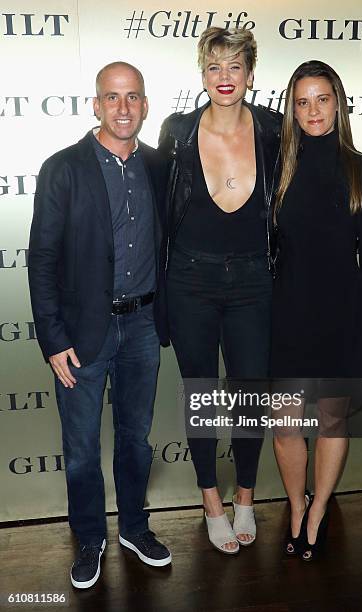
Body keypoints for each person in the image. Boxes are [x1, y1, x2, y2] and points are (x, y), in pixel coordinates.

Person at [28, 61, 171, 589]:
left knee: (136, 440)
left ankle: (134, 527)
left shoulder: (158, 166)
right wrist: (53, 338)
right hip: (82, 334)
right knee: (83, 448)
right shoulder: (62, 168)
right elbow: (41, 258)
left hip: (141, 328)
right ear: (95, 104)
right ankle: (90, 537)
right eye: (112, 97)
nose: (123, 108)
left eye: (132, 97)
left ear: (145, 104)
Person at [158, 27, 281, 554]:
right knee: (203, 393)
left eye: (235, 66)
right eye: (214, 67)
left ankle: (246, 498)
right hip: (191, 278)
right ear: (202, 75)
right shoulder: (178, 130)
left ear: (251, 75)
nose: (224, 77)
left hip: (255, 279)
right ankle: (211, 500)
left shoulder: (276, 130)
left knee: (250, 394)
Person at [270, 60, 362, 561]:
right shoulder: (276, 169)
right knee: (284, 425)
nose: (313, 110)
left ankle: (318, 511)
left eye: (322, 99)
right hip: (287, 317)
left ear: (338, 103)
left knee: (332, 422)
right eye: (302, 101)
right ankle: (296, 506)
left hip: (342, 318)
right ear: (292, 110)